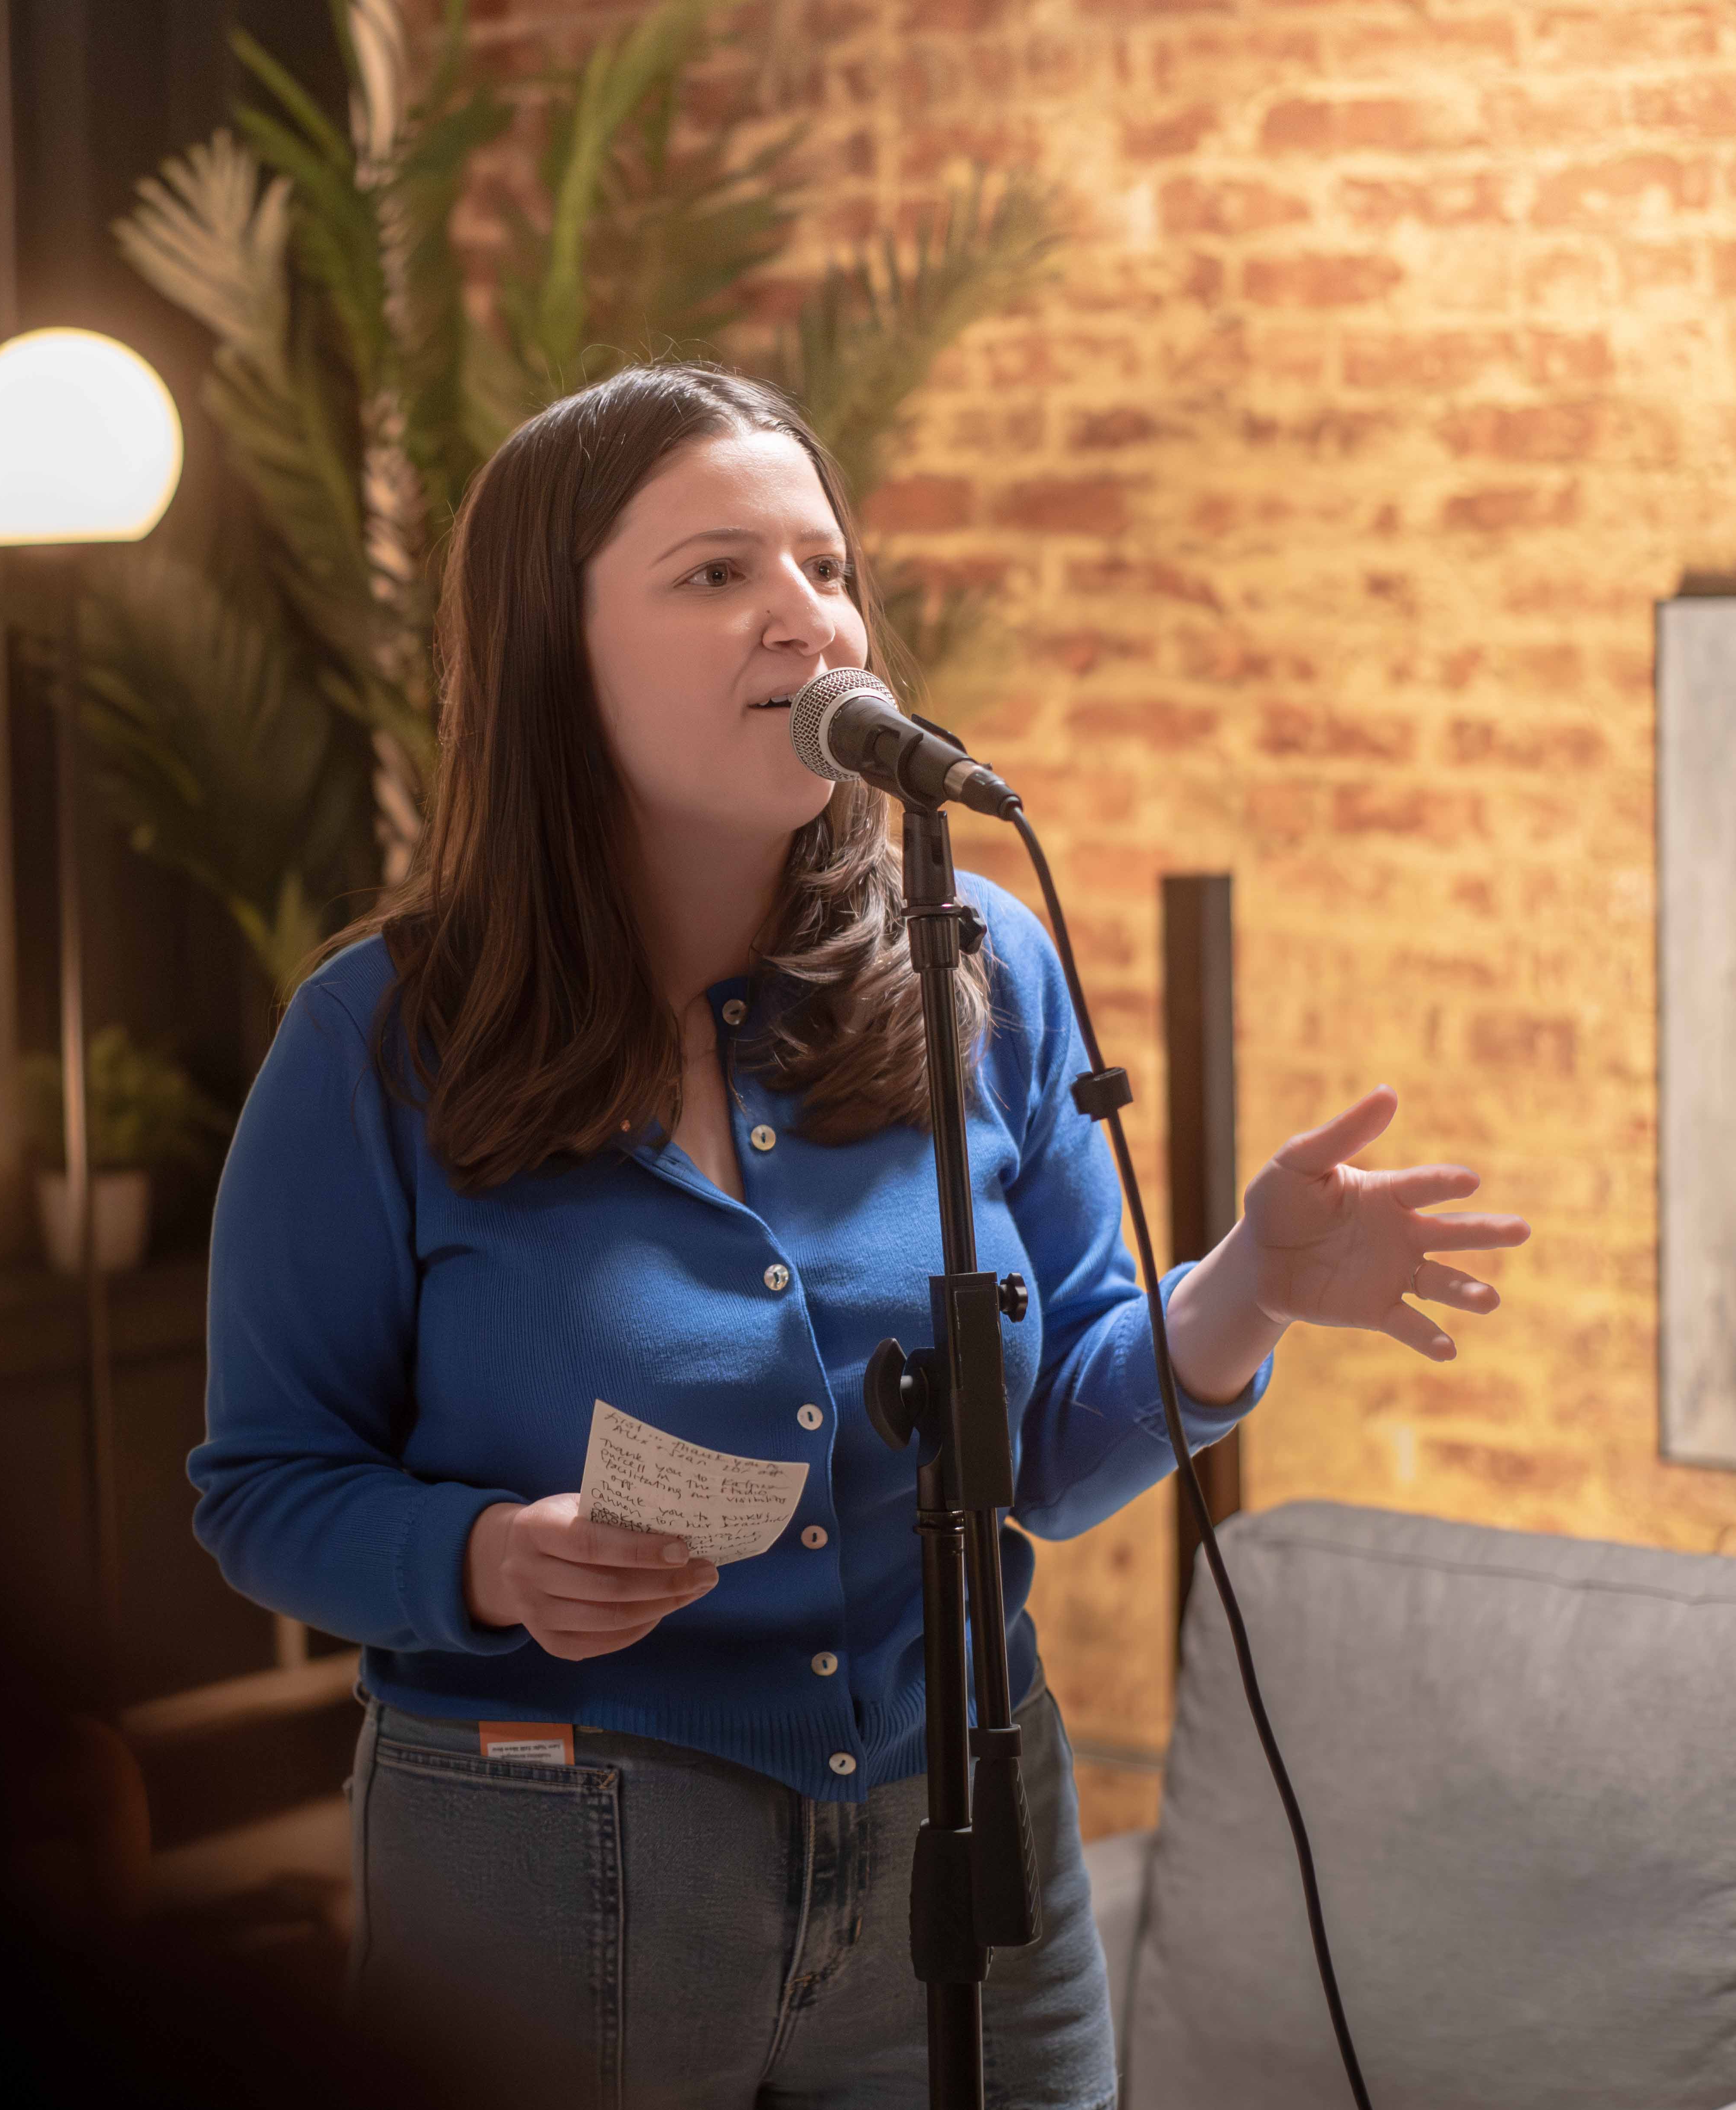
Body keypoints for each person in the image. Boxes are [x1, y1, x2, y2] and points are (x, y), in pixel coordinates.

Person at [193, 362, 1530, 2109]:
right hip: (554, 1844)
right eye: (715, 573)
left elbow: (1050, 1457)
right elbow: (264, 1488)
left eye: (824, 567)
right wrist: (490, 1560)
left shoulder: (980, 964)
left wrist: (1246, 1288)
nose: (805, 616)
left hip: (962, 1814)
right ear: (550, 653)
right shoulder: (374, 1039)